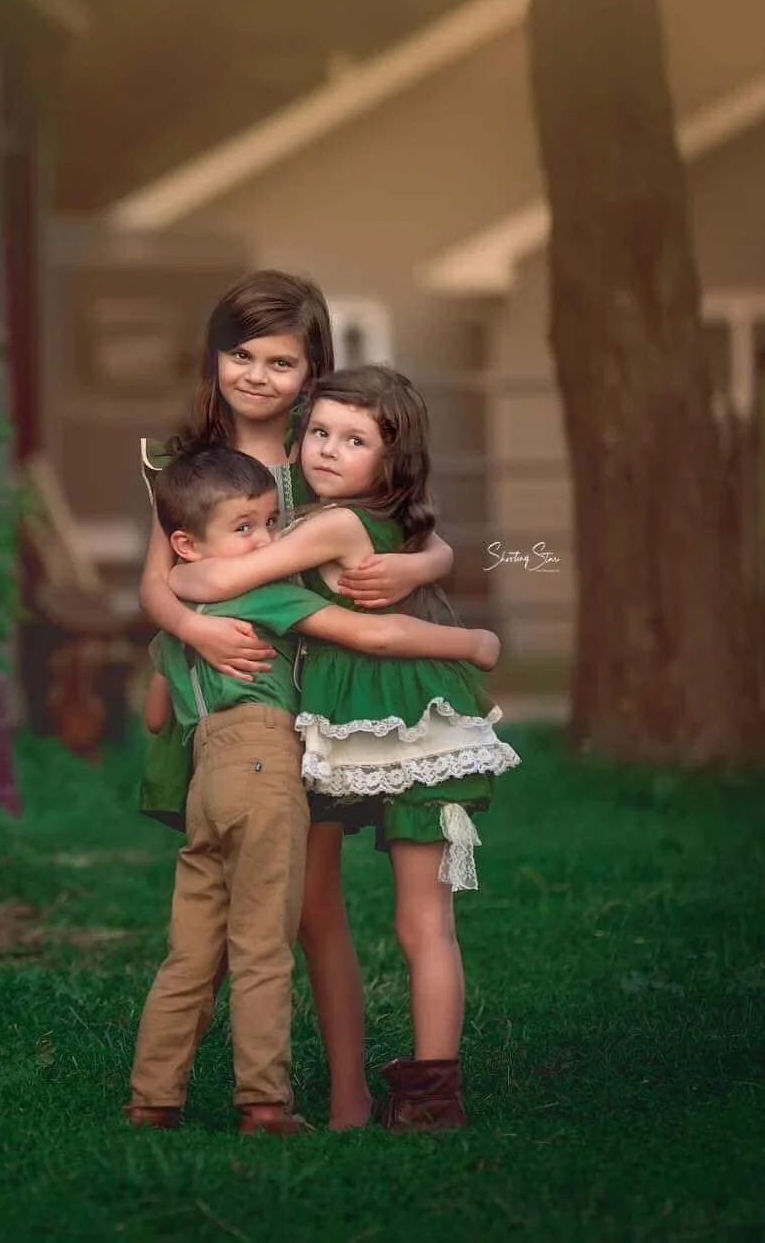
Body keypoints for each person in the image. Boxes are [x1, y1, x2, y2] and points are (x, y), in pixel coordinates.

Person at [138, 269, 457, 1129]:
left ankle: (346, 1089)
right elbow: (159, 584)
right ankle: (219, 1085)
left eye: (279, 361)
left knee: (314, 903)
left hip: (322, 703)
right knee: (257, 901)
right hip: (240, 706)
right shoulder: (193, 468)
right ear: (213, 357)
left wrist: (425, 566)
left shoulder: (325, 454)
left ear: (312, 368)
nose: (254, 375)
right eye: (238, 354)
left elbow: (418, 531)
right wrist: (196, 631)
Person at [170, 366, 521, 1130]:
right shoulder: (390, 522)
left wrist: (181, 574)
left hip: (381, 719)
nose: (328, 450)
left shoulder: (329, 525)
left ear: (391, 459)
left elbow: (227, 576)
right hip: (401, 715)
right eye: (320, 432)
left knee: (416, 921)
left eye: (354, 440)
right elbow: (436, 551)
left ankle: (422, 1094)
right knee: (423, 922)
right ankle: (433, 1091)